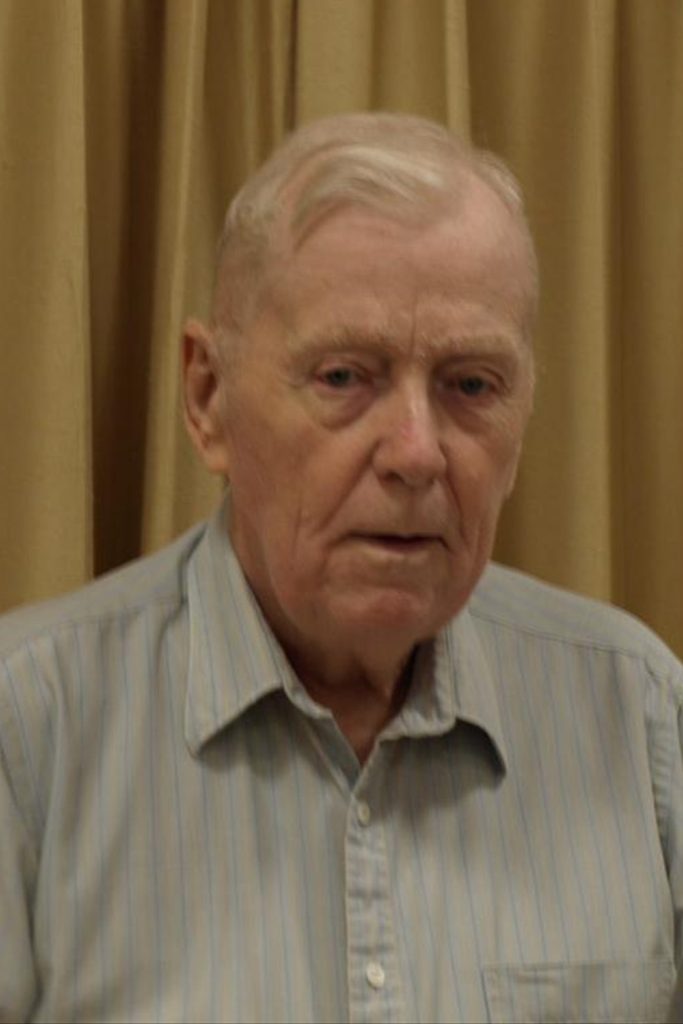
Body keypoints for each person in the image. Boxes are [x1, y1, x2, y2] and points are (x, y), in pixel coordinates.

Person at [0, 112, 681, 1024]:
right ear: (207, 398)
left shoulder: (637, 715)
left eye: (470, 385)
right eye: (342, 377)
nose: (415, 452)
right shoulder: (28, 729)